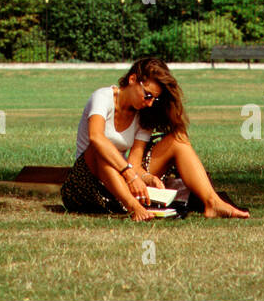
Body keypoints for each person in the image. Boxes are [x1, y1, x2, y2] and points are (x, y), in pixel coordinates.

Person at [60, 57, 249, 221]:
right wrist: (129, 174)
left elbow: (134, 162)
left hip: (119, 181)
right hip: (88, 183)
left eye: (154, 99)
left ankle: (212, 203)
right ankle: (134, 207)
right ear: (133, 79)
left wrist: (146, 177)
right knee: (101, 148)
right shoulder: (102, 97)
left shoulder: (144, 115)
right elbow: (96, 138)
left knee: (178, 139)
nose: (149, 103)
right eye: (148, 95)